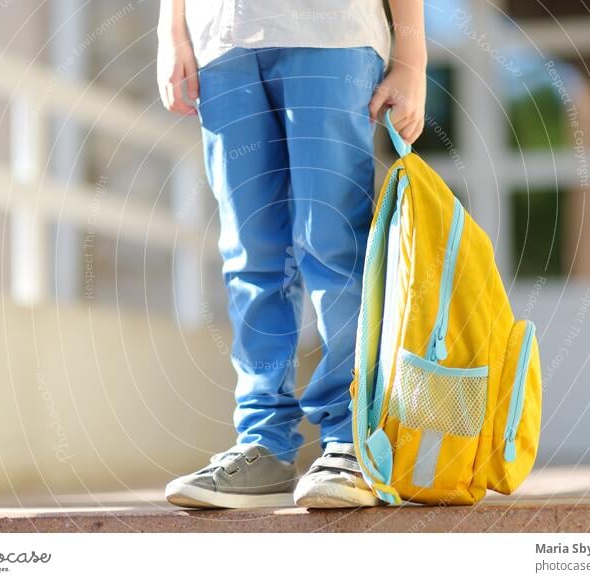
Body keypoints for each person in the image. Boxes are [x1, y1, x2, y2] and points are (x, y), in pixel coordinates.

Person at [158, 0, 426, 509]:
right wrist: (172, 33)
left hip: (331, 31)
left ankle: (352, 443)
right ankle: (264, 444)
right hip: (222, 40)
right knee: (249, 256)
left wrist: (412, 58)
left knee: (334, 248)